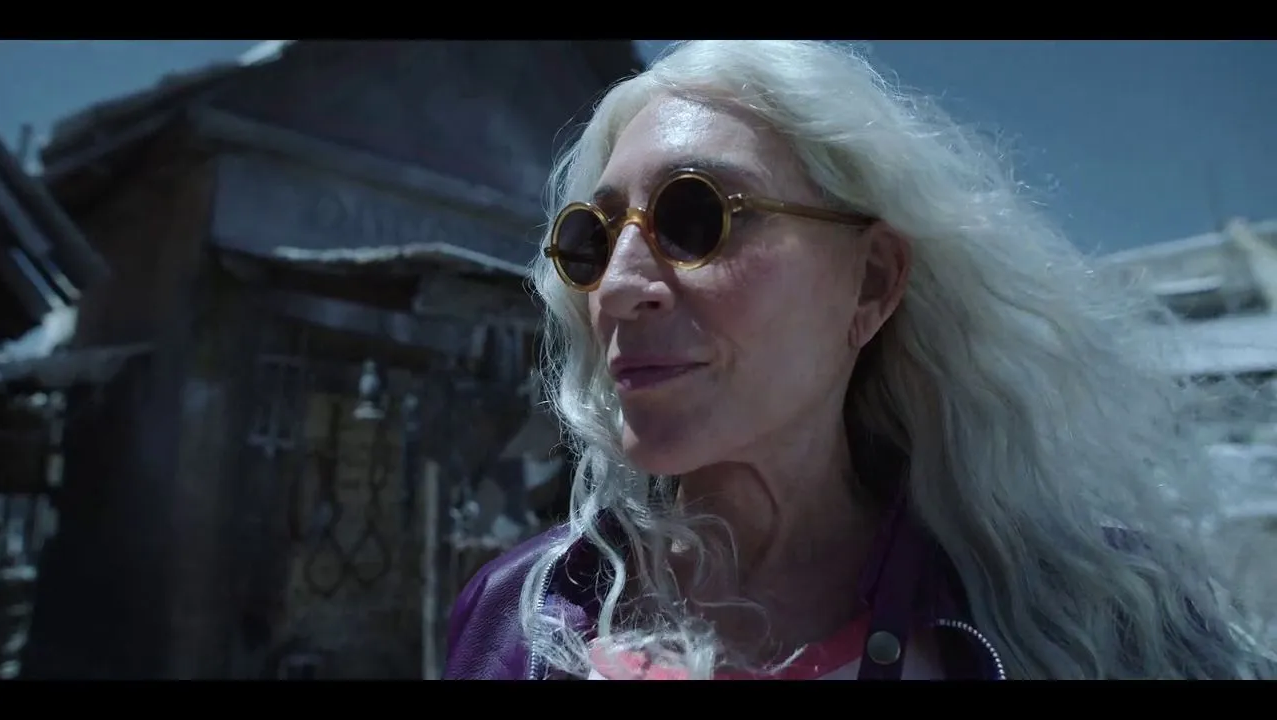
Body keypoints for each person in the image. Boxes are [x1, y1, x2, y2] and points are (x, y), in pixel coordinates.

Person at [443, 39, 1273, 680]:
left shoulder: (1095, 622)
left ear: (871, 281)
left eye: (694, 216)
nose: (619, 287)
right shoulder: (516, 615)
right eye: (592, 239)